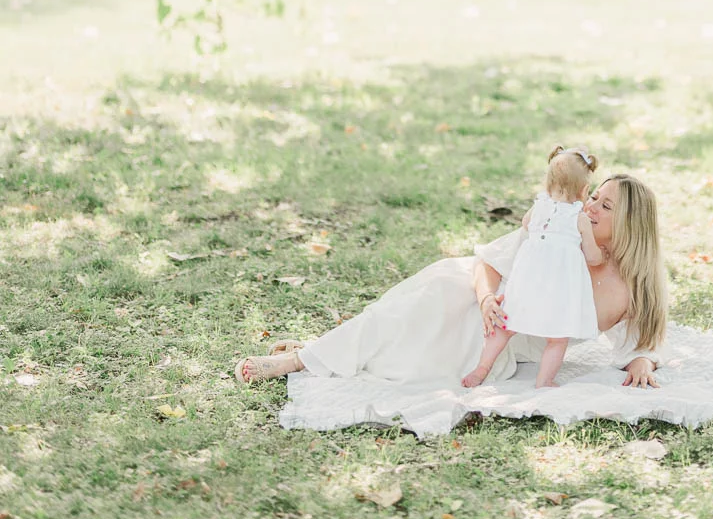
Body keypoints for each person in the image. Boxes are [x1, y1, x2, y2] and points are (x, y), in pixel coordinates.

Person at [234, 173, 667, 392]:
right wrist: (484, 301)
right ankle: (299, 361)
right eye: (593, 196)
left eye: (605, 206)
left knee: (411, 364)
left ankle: (321, 350)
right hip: (485, 304)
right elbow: (487, 265)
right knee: (431, 298)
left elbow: (640, 342)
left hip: (505, 349)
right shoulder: (557, 233)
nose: (590, 207)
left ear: (630, 223)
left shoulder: (627, 287)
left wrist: (643, 362)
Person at [462, 145, 602, 389]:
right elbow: (591, 256)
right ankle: (544, 380)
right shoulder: (579, 219)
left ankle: (483, 367)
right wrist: (600, 256)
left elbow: (526, 225)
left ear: (547, 185)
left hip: (528, 281)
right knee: (557, 340)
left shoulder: (538, 207)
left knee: (505, 327)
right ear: (584, 190)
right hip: (559, 289)